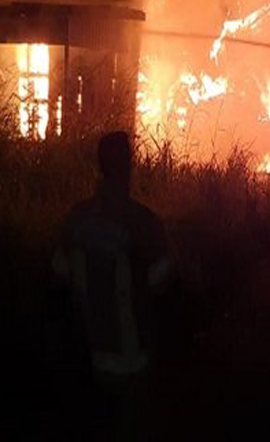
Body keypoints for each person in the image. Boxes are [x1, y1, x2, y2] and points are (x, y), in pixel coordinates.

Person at [52, 131, 174, 434]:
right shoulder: (144, 224)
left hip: (86, 359)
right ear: (128, 168)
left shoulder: (75, 220)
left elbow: (58, 277)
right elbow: (164, 281)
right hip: (130, 361)